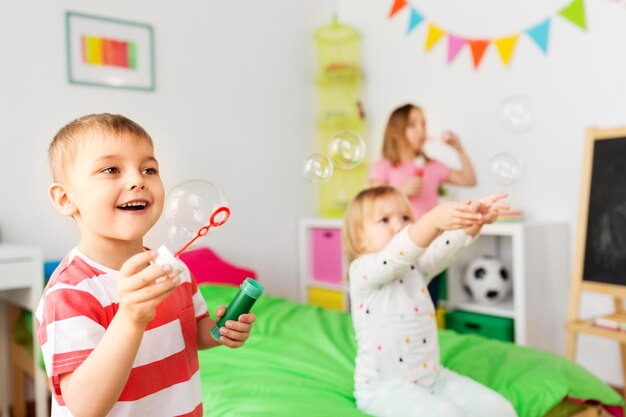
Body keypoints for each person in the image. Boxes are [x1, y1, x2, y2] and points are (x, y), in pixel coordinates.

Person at [35, 113, 256, 417]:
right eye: (111, 169)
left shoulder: (173, 270)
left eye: (148, 169)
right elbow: (86, 407)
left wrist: (221, 330)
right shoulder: (69, 294)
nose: (138, 180)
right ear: (65, 199)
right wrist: (131, 317)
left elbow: (192, 334)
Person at [343, 186, 517, 417]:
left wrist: (475, 220)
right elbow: (397, 255)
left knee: (501, 410)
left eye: (405, 217)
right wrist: (433, 220)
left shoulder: (415, 267)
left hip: (433, 378)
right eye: (384, 220)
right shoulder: (362, 270)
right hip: (385, 390)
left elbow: (444, 249)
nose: (398, 225)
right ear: (359, 238)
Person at [369, 104, 477, 306]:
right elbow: (371, 204)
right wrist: (400, 191)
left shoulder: (433, 166)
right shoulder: (385, 166)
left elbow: (469, 179)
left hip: (430, 249)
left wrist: (459, 149)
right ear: (396, 131)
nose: (421, 129)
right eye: (413, 124)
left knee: (427, 303)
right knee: (396, 304)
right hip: (395, 249)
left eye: (423, 123)